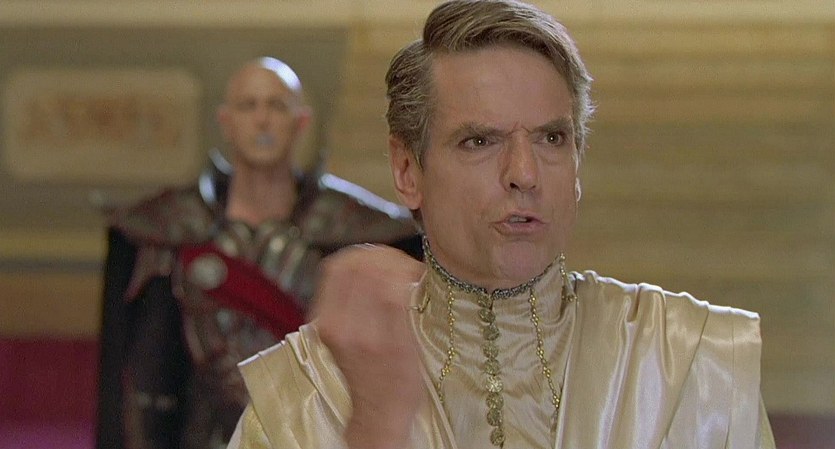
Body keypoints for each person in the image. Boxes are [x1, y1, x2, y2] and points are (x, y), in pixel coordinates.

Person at [226, 1, 777, 448]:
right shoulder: (306, 393)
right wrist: (378, 432)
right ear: (407, 171)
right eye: (480, 141)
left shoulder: (692, 362)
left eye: (552, 138)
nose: (524, 174)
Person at [95, 57, 421, 449]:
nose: (262, 120)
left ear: (301, 121)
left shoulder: (353, 227)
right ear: (226, 121)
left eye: (277, 106)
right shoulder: (173, 226)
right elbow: (141, 375)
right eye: (249, 106)